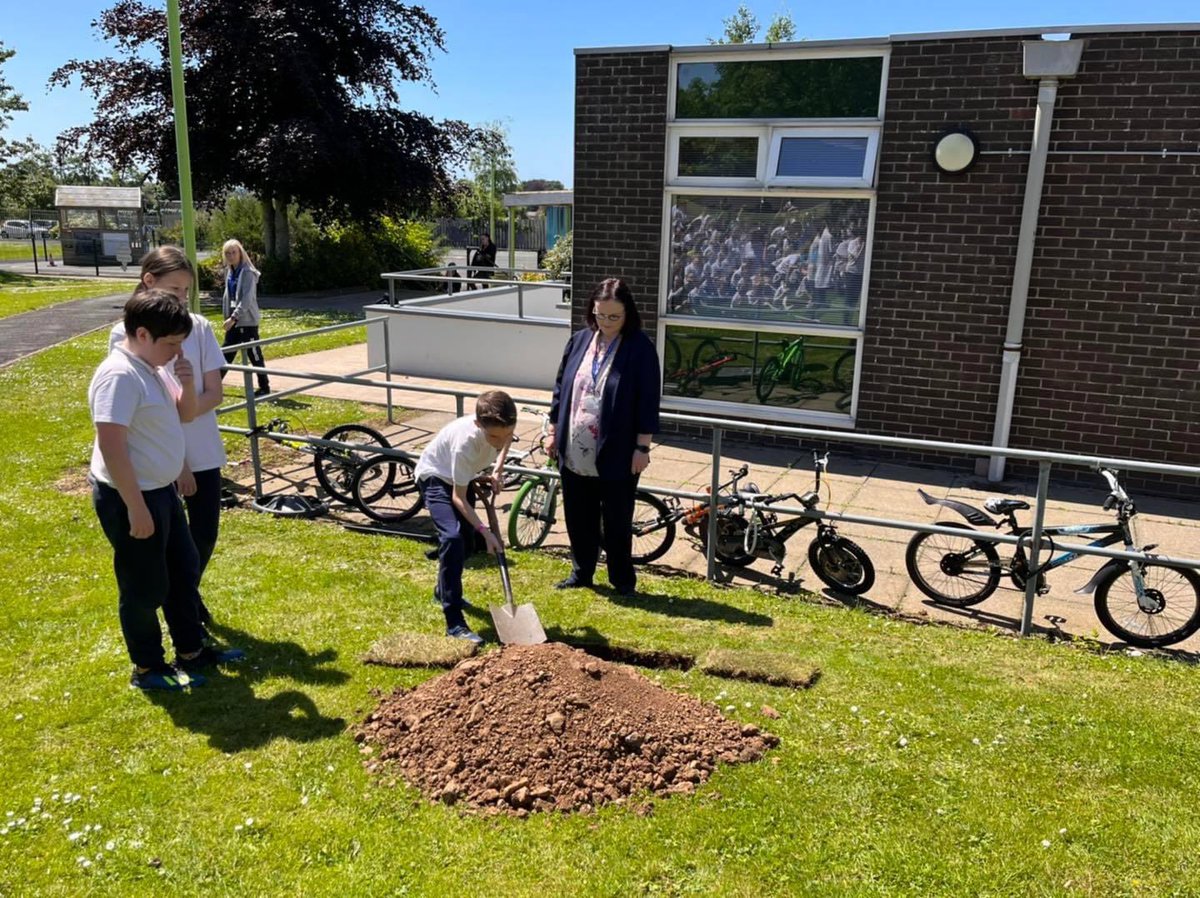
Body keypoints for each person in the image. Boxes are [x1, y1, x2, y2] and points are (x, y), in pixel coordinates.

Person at [89, 290, 244, 691]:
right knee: (145, 585)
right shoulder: (119, 375)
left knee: (183, 571)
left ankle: (191, 652)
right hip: (133, 497)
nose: (177, 352)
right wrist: (136, 508)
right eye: (172, 344)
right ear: (142, 334)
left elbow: (184, 415)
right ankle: (147, 668)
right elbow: (112, 444)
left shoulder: (152, 367)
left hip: (162, 491)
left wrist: (187, 382)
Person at [108, 247, 226, 626]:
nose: (182, 300)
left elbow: (213, 392)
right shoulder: (128, 335)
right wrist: (180, 462)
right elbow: (150, 407)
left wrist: (186, 404)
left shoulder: (199, 326)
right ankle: (182, 610)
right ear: (149, 282)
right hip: (162, 457)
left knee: (203, 535)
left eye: (186, 292)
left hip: (201, 447)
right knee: (169, 546)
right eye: (174, 290)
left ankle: (186, 597)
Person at [547, 278, 661, 597]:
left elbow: (648, 401)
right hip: (574, 451)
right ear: (592, 311)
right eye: (601, 315)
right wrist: (553, 430)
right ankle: (582, 572)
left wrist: (642, 447)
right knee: (578, 516)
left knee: (616, 520)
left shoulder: (640, 349)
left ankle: (621, 580)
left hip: (618, 452)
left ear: (628, 315)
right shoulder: (580, 341)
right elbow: (561, 389)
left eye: (615, 317)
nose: (607, 322)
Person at [413, 391, 517, 644]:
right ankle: (454, 622)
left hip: (463, 476)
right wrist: (486, 531)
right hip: (437, 478)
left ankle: (443, 589)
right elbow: (458, 498)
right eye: (493, 436)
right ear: (478, 424)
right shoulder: (466, 443)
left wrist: (497, 469)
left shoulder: (502, 428)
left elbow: (508, 440)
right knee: (453, 537)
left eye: (505, 434)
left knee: (467, 544)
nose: (500, 441)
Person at [219, 238, 270, 396]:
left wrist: (234, 317)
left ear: (240, 253)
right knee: (226, 353)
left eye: (234, 252)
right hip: (233, 321)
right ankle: (212, 387)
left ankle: (264, 387)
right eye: (227, 253)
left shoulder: (247, 272)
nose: (231, 256)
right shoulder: (230, 272)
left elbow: (247, 299)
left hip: (246, 321)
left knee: (254, 355)